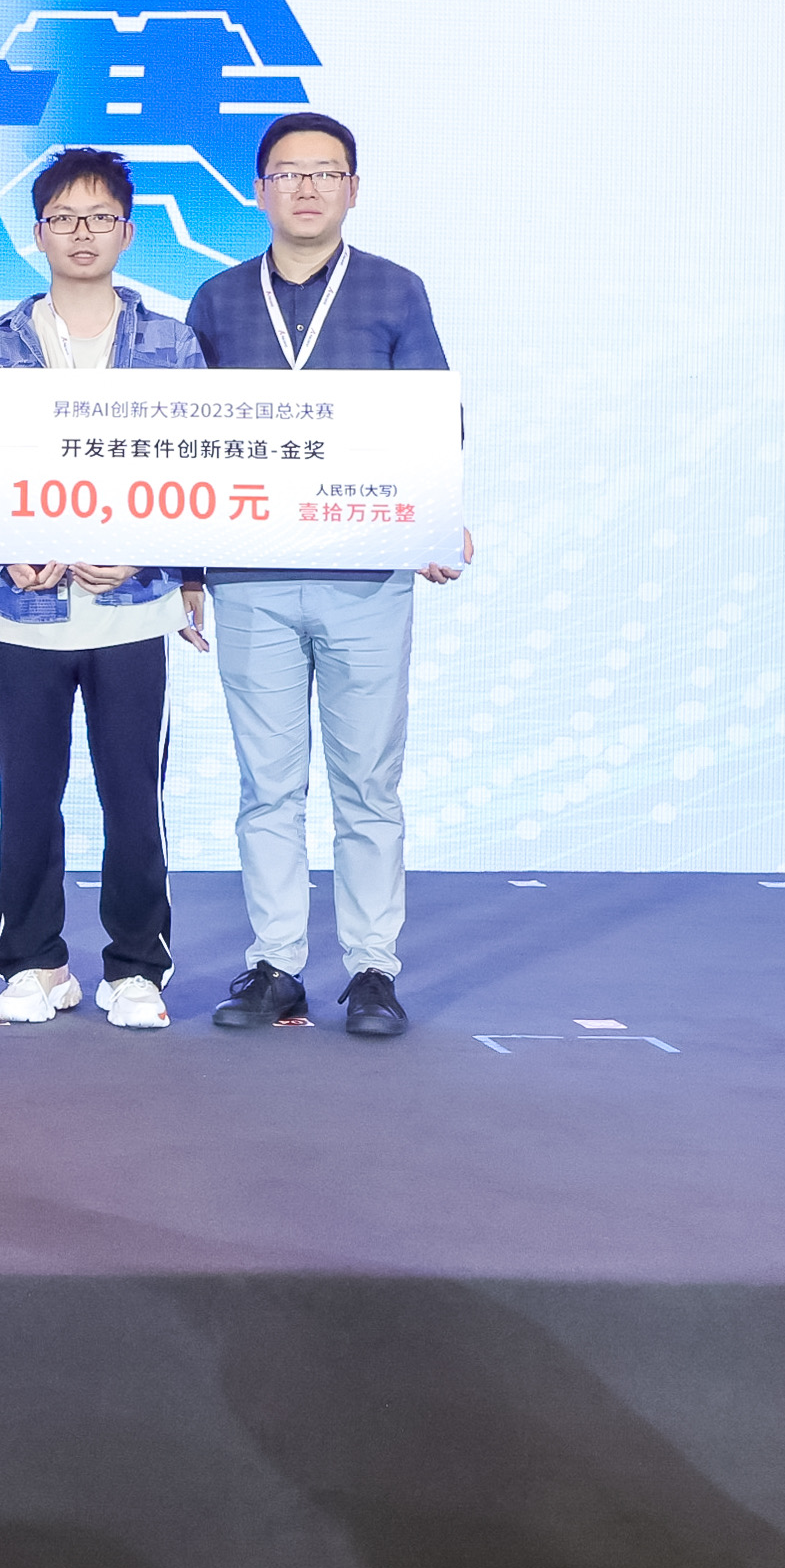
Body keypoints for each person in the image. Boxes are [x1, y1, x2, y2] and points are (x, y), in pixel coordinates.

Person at [181, 111, 470, 1041]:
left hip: (365, 578)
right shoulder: (218, 299)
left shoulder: (393, 289)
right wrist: (186, 568)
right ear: (257, 190)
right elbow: (182, 438)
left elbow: (434, 419)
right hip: (250, 578)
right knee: (267, 787)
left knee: (366, 785)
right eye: (287, 172)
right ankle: (275, 965)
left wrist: (432, 516)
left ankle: (372, 969)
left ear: (352, 188)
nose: (305, 188)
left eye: (325, 171)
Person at [0, 149, 209, 1030]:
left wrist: (149, 556)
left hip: (131, 611)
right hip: (25, 613)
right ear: (37, 235)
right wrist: (6, 554)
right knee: (26, 799)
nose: (81, 233)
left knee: (132, 799)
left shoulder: (171, 343)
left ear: (127, 232)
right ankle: (34, 963)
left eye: (99, 217)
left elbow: (197, 471)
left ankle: (136, 967)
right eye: (62, 218)